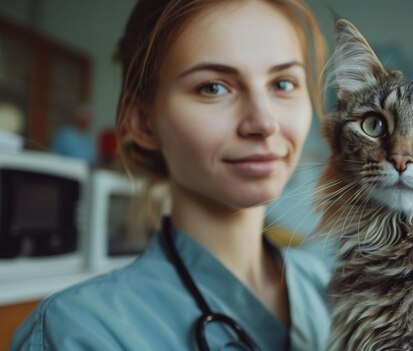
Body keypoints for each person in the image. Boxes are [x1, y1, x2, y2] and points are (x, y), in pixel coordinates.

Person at [11, 0, 329, 350]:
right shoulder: (76, 332)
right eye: (213, 87)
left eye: (283, 84)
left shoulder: (331, 286)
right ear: (144, 124)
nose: (264, 123)